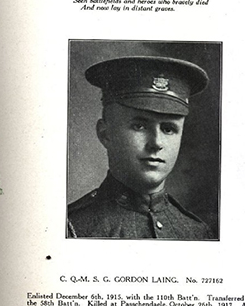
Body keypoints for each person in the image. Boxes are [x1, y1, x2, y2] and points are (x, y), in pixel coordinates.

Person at [67, 55, 212, 239]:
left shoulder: (197, 233)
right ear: (105, 134)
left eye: (168, 129)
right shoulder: (73, 229)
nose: (156, 143)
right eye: (139, 126)